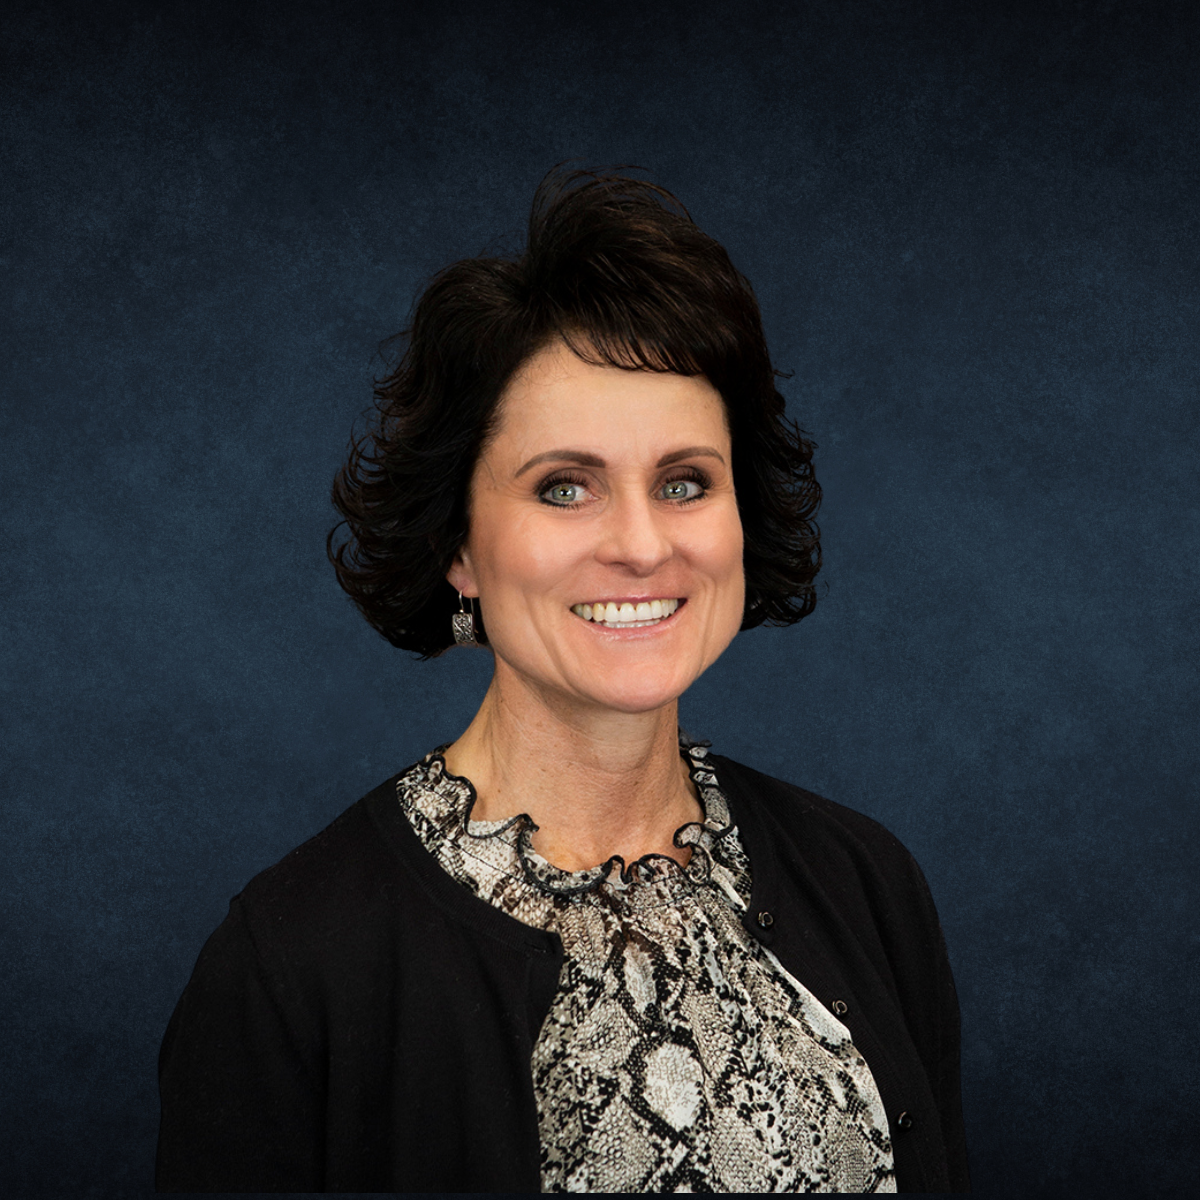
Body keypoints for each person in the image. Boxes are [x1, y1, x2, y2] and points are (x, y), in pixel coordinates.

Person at [156, 167, 969, 1193]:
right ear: (458, 542)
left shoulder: (869, 883)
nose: (640, 545)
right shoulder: (291, 968)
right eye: (564, 487)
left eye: (685, 483)